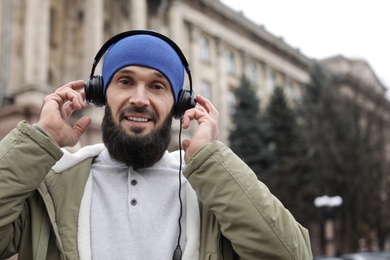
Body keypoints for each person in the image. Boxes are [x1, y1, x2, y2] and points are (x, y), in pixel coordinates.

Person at [0, 30, 313, 260]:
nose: (139, 98)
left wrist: (209, 160)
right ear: (100, 94)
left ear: (179, 104)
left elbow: (290, 254)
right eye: (125, 81)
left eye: (157, 86)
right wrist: (39, 141)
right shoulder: (50, 185)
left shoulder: (212, 192)